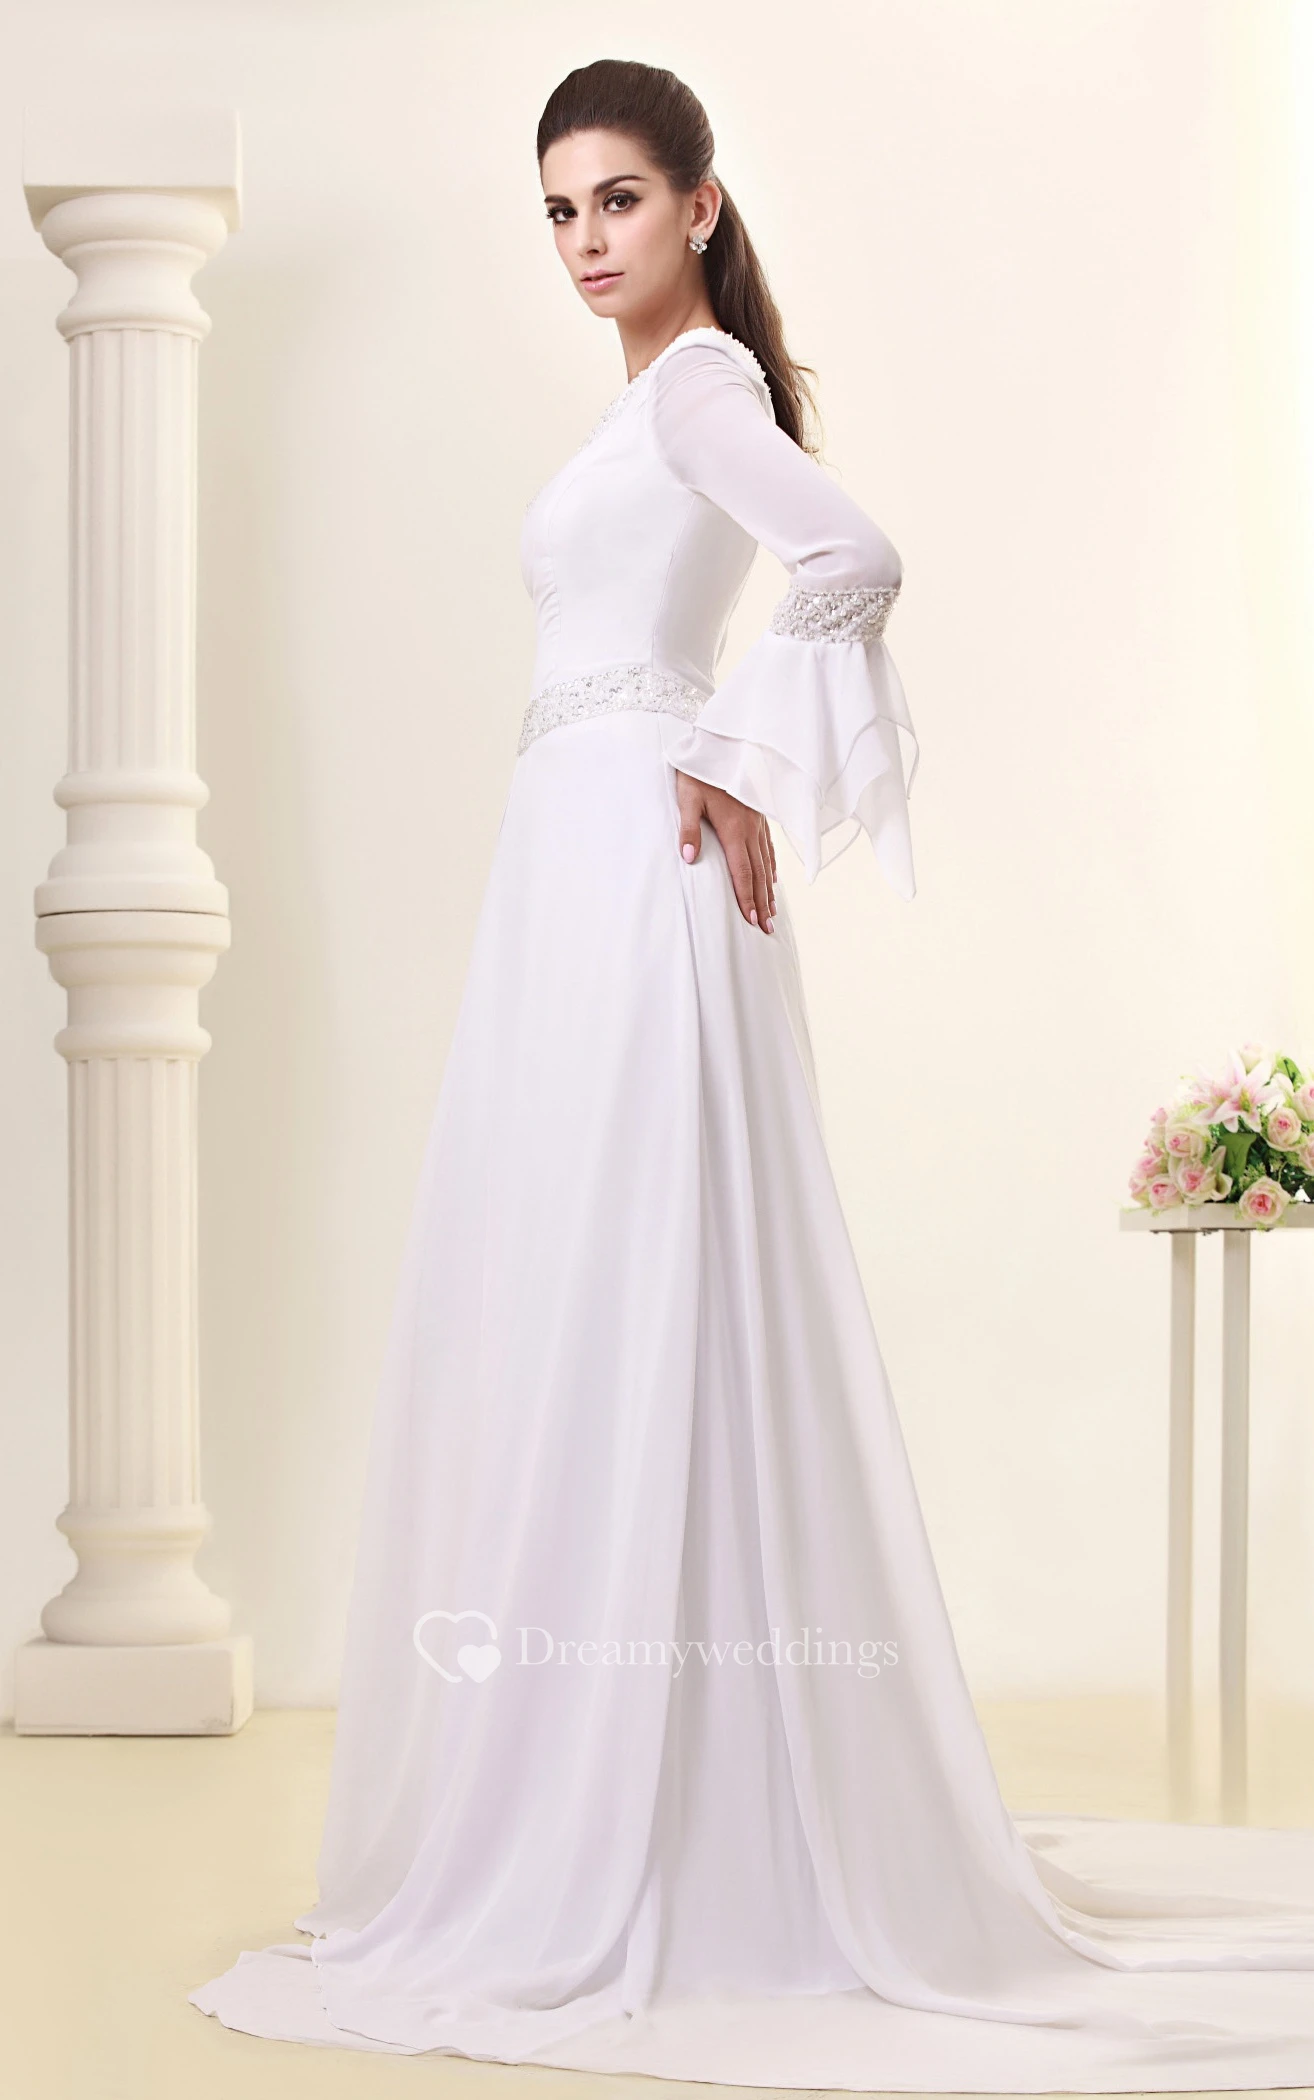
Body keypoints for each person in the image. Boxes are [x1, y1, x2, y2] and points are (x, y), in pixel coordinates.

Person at [190, 58, 1314, 2088]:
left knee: (642, 1286)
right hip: (573, 861)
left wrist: (730, 757)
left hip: (636, 863)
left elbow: (851, 557)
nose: (583, 240)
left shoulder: (701, 385)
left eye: (617, 199)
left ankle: (667, 1822)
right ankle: (645, 1784)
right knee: (601, 1289)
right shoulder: (652, 401)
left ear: (698, 206)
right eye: (557, 210)